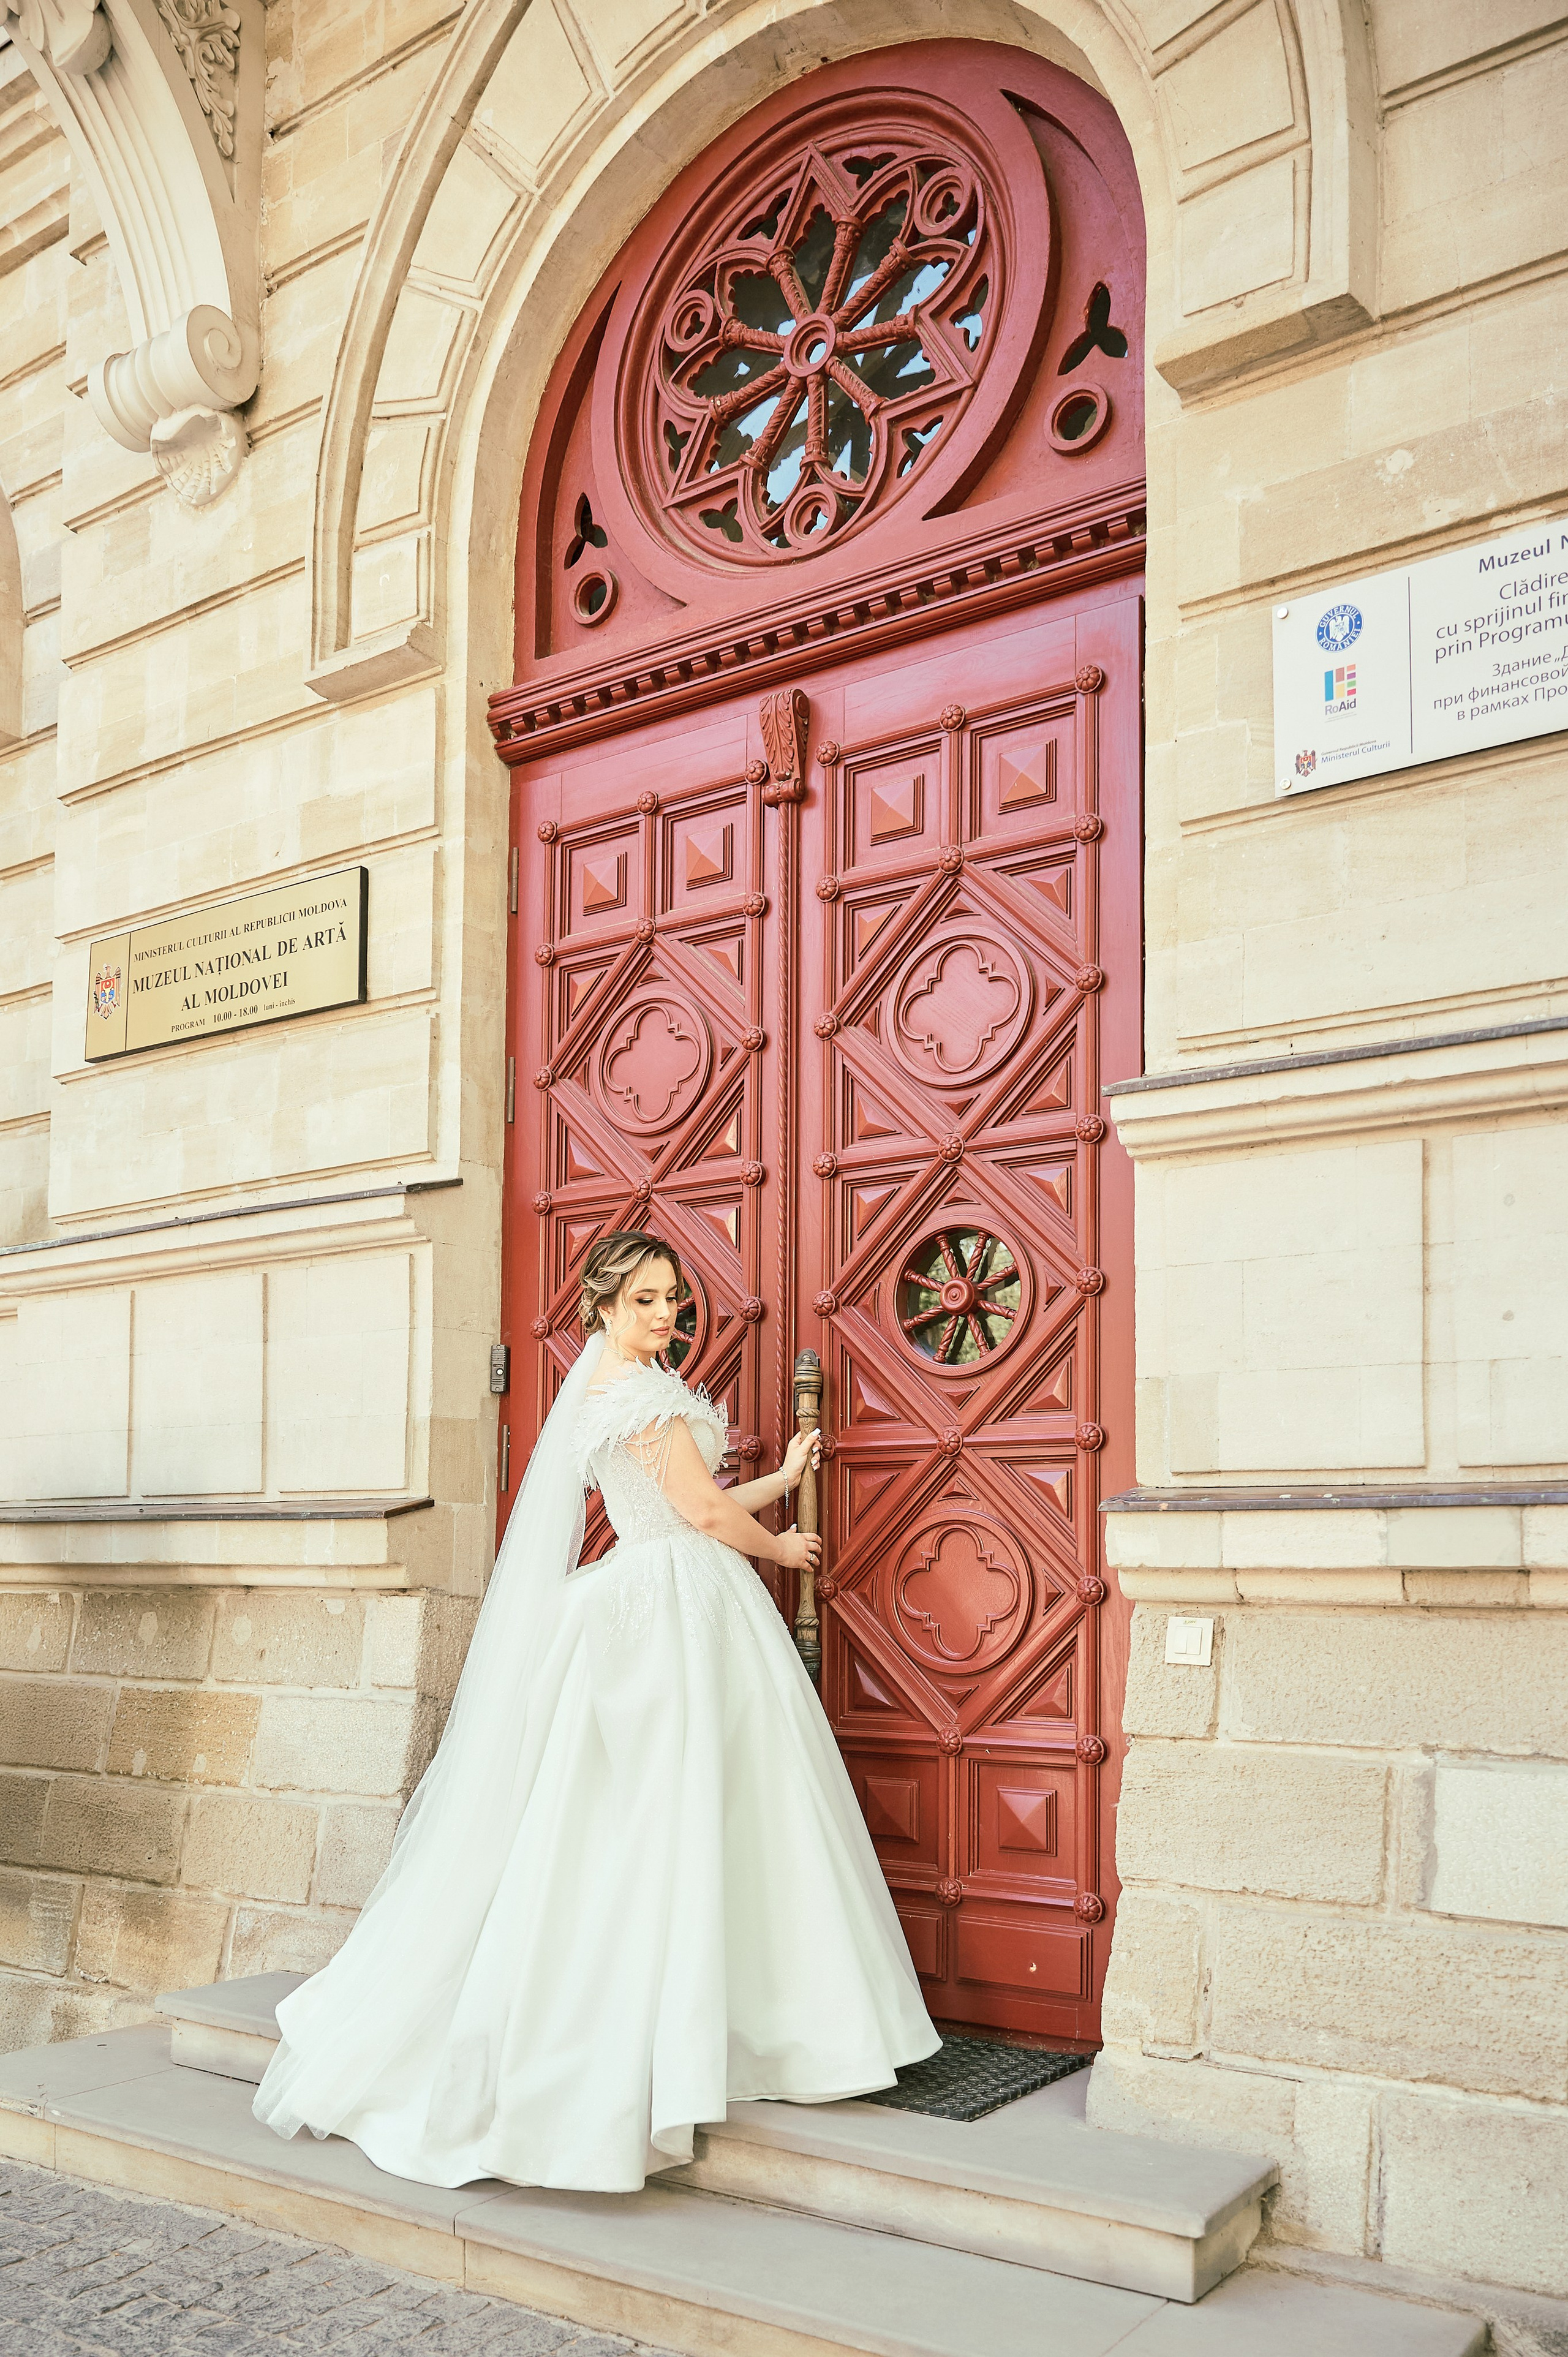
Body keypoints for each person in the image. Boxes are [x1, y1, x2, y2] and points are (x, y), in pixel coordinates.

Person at [254, 1229, 938, 2192]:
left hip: (653, 1588)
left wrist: (781, 1483)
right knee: (694, 1805)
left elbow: (680, 1500)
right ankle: (720, 2028)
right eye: (650, 1300)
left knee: (679, 1808)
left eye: (674, 1299)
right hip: (679, 1606)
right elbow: (699, 1517)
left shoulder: (609, 1395)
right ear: (606, 1307)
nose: (669, 1316)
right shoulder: (648, 1396)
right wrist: (781, 1552)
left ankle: (709, 2018)